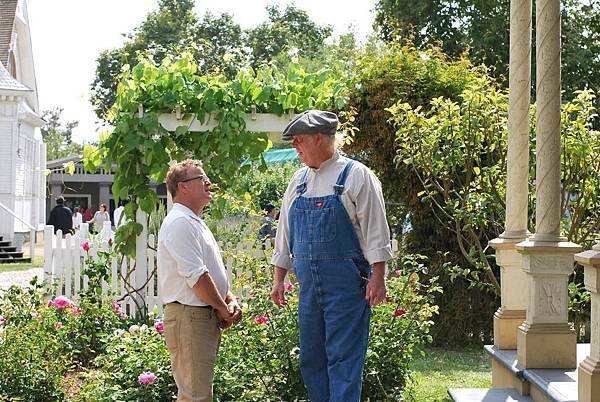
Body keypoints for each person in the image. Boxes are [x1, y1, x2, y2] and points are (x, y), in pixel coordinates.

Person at [270, 110, 392, 402]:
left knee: (344, 359)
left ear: (320, 138)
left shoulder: (356, 175)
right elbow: (284, 234)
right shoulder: (298, 181)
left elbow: (376, 229)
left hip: (346, 286)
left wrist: (379, 276)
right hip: (309, 288)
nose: (294, 147)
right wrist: (278, 278)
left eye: (299, 141)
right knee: (312, 359)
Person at [158, 159, 242, 401]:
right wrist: (222, 307)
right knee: (196, 396)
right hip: (190, 317)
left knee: (197, 394)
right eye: (201, 179)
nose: (209, 183)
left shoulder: (194, 221)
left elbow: (211, 273)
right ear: (183, 187)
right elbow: (197, 277)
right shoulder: (180, 223)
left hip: (199, 316)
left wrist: (229, 299)